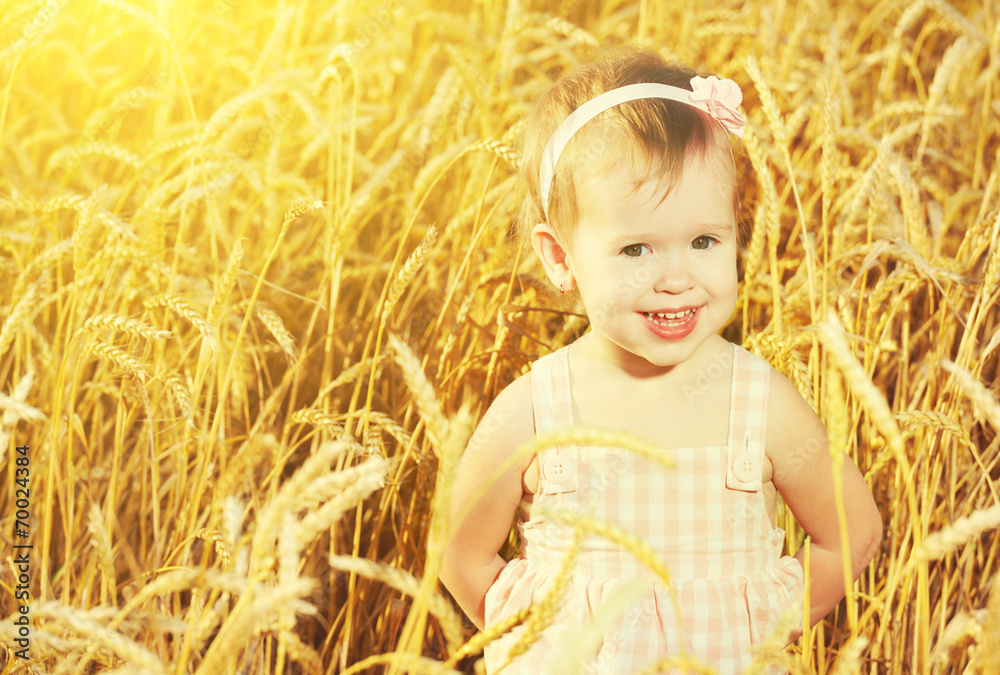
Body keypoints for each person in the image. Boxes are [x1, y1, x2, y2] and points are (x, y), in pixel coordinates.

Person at [439, 45, 883, 673]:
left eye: (704, 240)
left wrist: (760, 625)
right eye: (636, 250)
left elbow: (851, 533)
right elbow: (461, 554)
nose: (676, 277)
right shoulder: (535, 412)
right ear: (560, 256)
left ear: (736, 230)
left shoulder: (759, 404)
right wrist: (534, 640)